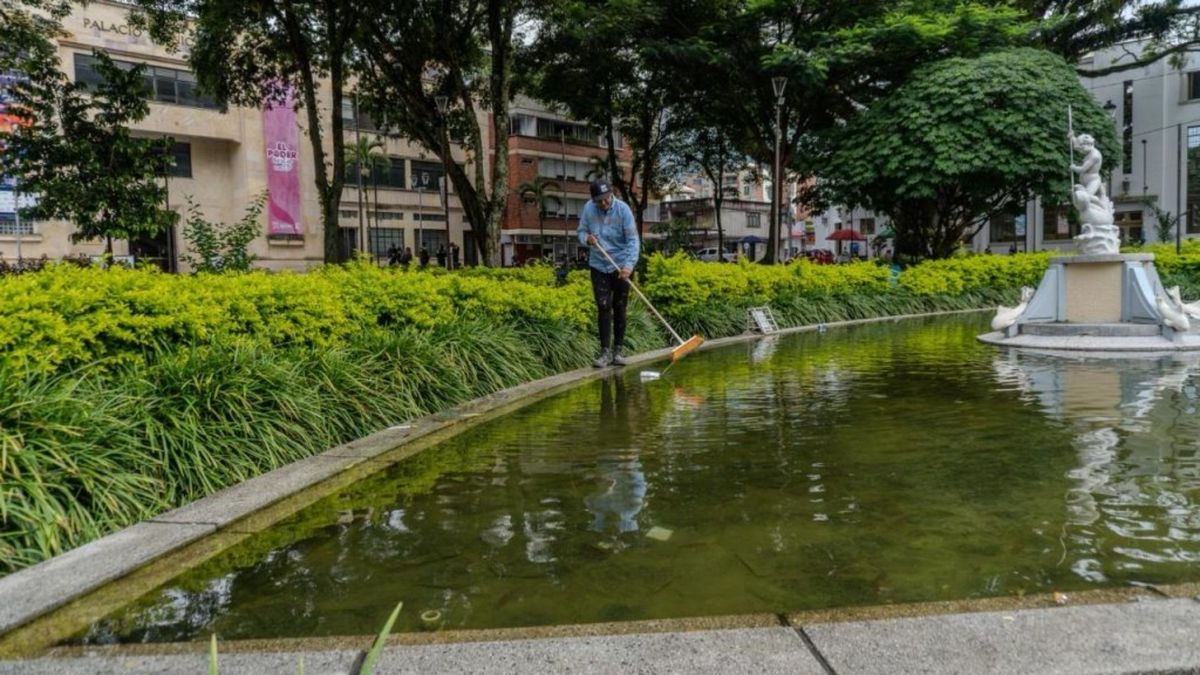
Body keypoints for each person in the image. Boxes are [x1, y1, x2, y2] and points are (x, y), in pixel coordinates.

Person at [578, 178, 640, 368]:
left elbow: (633, 241)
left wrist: (629, 265)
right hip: (599, 265)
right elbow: (580, 232)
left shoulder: (623, 210)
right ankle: (605, 352)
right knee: (603, 306)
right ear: (594, 200)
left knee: (619, 307)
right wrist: (586, 239)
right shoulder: (589, 209)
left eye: (606, 199)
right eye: (600, 201)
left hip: (621, 265)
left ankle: (618, 351)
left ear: (612, 194)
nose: (604, 203)